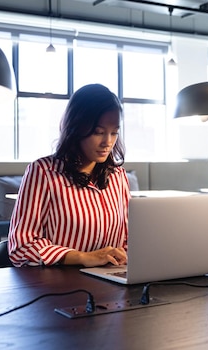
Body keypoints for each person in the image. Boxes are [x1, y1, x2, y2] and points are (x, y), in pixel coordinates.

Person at [8, 83, 130, 267]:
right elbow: (22, 246)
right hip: (61, 285)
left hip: (112, 281)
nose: (108, 142)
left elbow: (129, 240)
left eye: (114, 133)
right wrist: (82, 257)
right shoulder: (43, 172)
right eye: (98, 132)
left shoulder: (118, 176)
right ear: (77, 128)